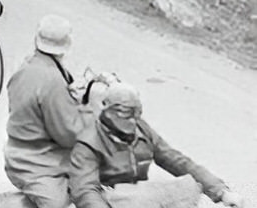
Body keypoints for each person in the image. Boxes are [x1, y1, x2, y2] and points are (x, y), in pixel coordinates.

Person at [69, 83, 246, 208]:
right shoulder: (88, 141)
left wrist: (221, 191)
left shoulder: (142, 129)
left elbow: (176, 160)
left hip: (137, 195)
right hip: (108, 198)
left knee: (187, 186)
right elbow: (85, 191)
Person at [3, 15, 95, 208]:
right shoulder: (52, 82)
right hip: (37, 161)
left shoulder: (28, 66)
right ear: (67, 44)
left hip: (20, 150)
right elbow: (67, 135)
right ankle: (12, 204)